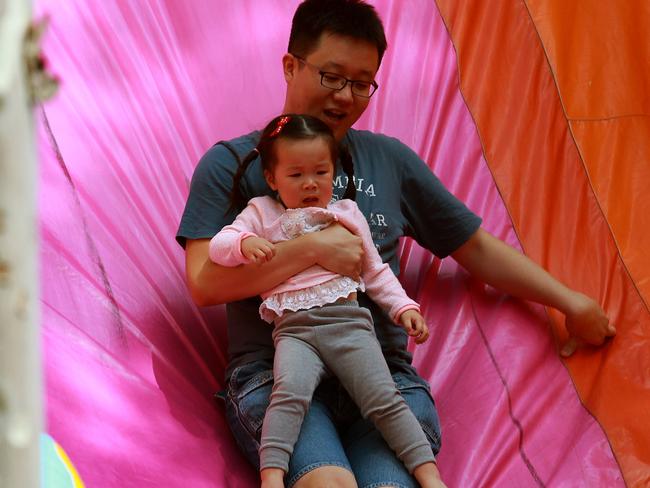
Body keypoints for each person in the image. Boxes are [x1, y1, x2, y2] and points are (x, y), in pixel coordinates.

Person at [176, 1, 616, 486]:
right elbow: (203, 283)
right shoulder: (232, 164)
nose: (345, 96)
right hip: (281, 375)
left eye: (361, 83)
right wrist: (314, 249)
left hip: (380, 375)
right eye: (331, 76)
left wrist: (567, 302)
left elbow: (476, 249)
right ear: (290, 65)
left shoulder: (390, 161)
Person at [209, 114, 445, 488]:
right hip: (295, 332)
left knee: (383, 398)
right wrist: (243, 243)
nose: (309, 184)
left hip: (348, 325)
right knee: (288, 395)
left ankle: (429, 475)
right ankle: (272, 475)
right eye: (296, 175)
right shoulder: (261, 212)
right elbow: (219, 246)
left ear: (333, 174)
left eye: (320, 172)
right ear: (272, 179)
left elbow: (376, 270)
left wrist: (404, 308)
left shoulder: (346, 212)